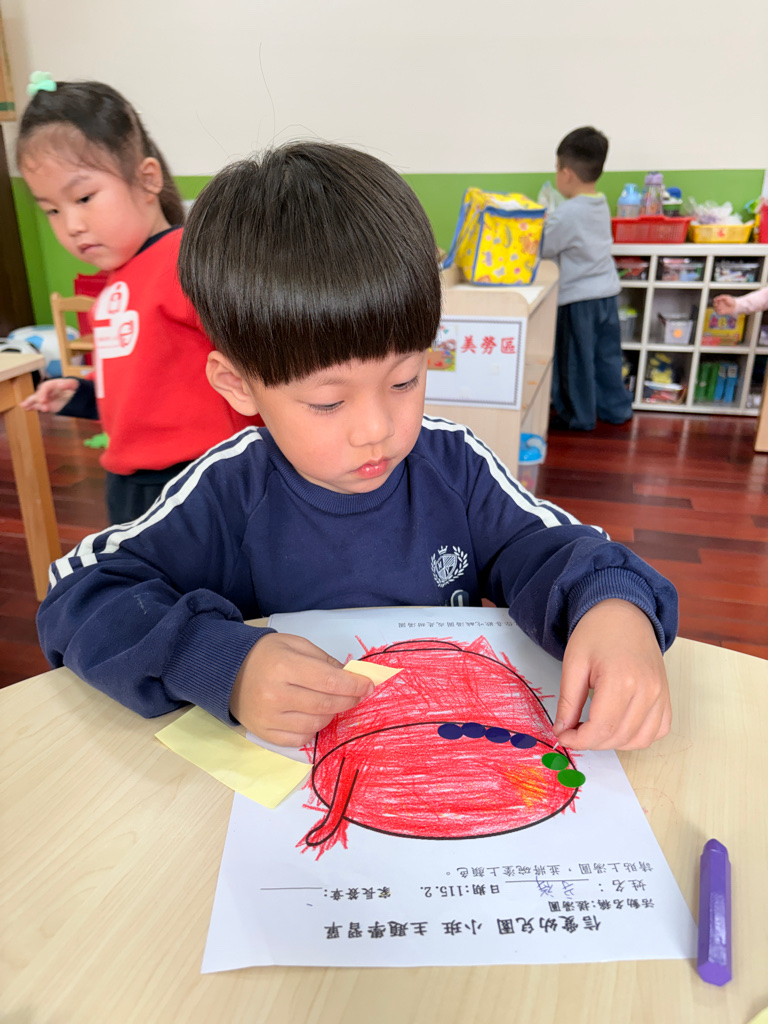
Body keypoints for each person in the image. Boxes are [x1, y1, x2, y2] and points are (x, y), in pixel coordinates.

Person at [37, 141, 677, 755]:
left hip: (435, 750)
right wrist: (221, 663)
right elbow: (78, 594)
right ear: (239, 385)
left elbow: (561, 550)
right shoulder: (227, 491)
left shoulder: (453, 466)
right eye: (327, 402)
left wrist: (614, 609)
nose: (377, 429)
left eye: (405, 380)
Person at [17, 74, 259, 523]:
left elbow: (262, 354)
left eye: (84, 197)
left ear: (147, 179)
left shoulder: (185, 259)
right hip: (130, 481)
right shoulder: (114, 285)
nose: (71, 225)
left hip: (200, 477)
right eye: (51, 209)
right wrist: (80, 395)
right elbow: (134, 390)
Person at [541, 126, 633, 431]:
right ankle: (617, 409)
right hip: (607, 295)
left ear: (566, 173)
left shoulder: (567, 213)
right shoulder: (599, 203)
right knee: (607, 358)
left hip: (578, 301)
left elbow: (544, 247)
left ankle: (577, 417)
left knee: (575, 362)